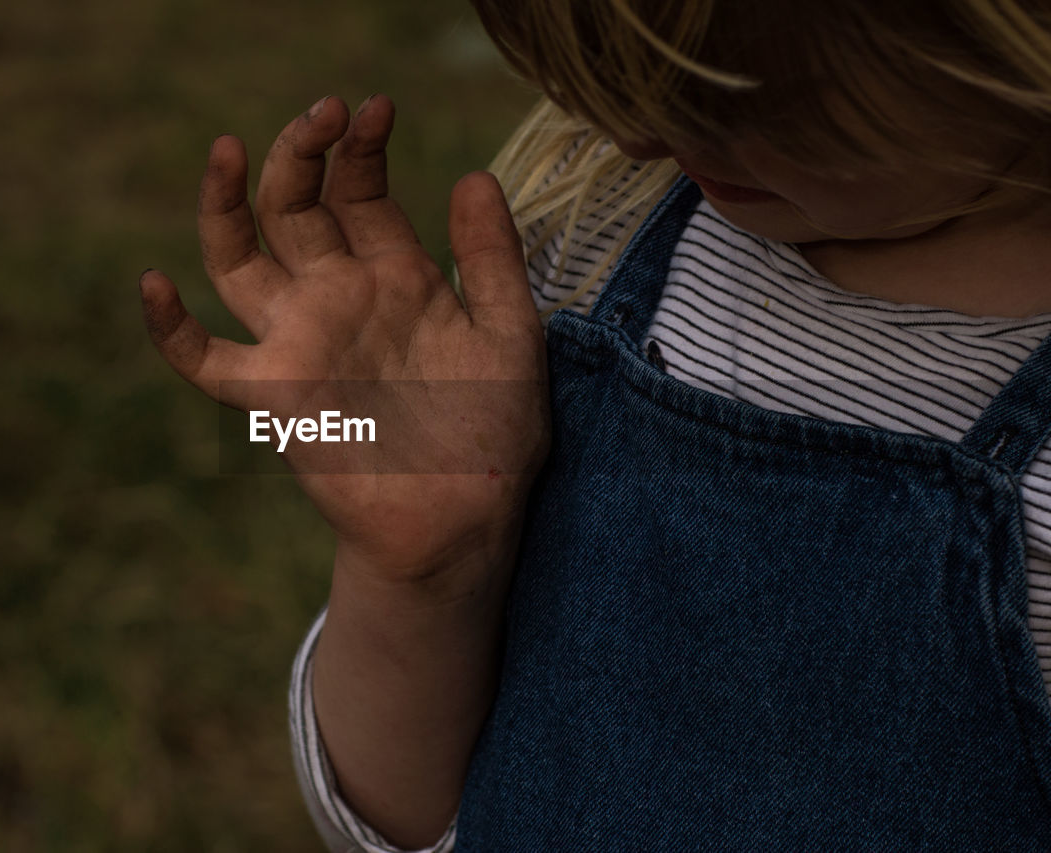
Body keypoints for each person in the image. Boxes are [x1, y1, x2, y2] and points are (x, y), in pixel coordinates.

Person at [140, 0, 1051, 848]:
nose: (638, 135)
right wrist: (427, 570)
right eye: (614, 81)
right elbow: (409, 822)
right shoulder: (593, 232)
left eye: (731, 94)